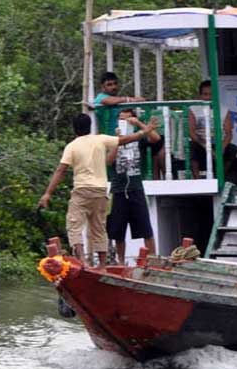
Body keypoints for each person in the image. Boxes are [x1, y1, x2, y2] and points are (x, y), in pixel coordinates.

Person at [38, 112, 158, 263]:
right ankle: (102, 264)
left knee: (74, 225)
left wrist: (48, 193)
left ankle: (82, 260)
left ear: (74, 129)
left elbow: (60, 170)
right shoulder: (101, 139)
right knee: (99, 228)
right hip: (101, 192)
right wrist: (145, 131)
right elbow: (126, 139)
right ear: (90, 127)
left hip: (82, 191)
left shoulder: (71, 146)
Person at [107, 109, 162, 258]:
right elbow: (109, 161)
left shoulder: (140, 139)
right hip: (118, 190)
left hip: (136, 188)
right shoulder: (112, 139)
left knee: (146, 229)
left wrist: (138, 124)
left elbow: (156, 138)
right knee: (118, 231)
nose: (124, 122)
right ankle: (121, 262)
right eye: (121, 119)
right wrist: (118, 141)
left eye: (127, 119)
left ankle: (152, 260)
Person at [184, 79, 237, 180]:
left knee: (232, 149)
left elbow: (228, 133)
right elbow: (191, 132)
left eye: (211, 94)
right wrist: (207, 147)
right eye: (205, 94)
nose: (208, 97)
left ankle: (219, 177)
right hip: (201, 143)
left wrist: (222, 148)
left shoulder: (223, 109)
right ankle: (197, 179)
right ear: (200, 95)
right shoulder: (193, 109)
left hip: (218, 143)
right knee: (191, 148)